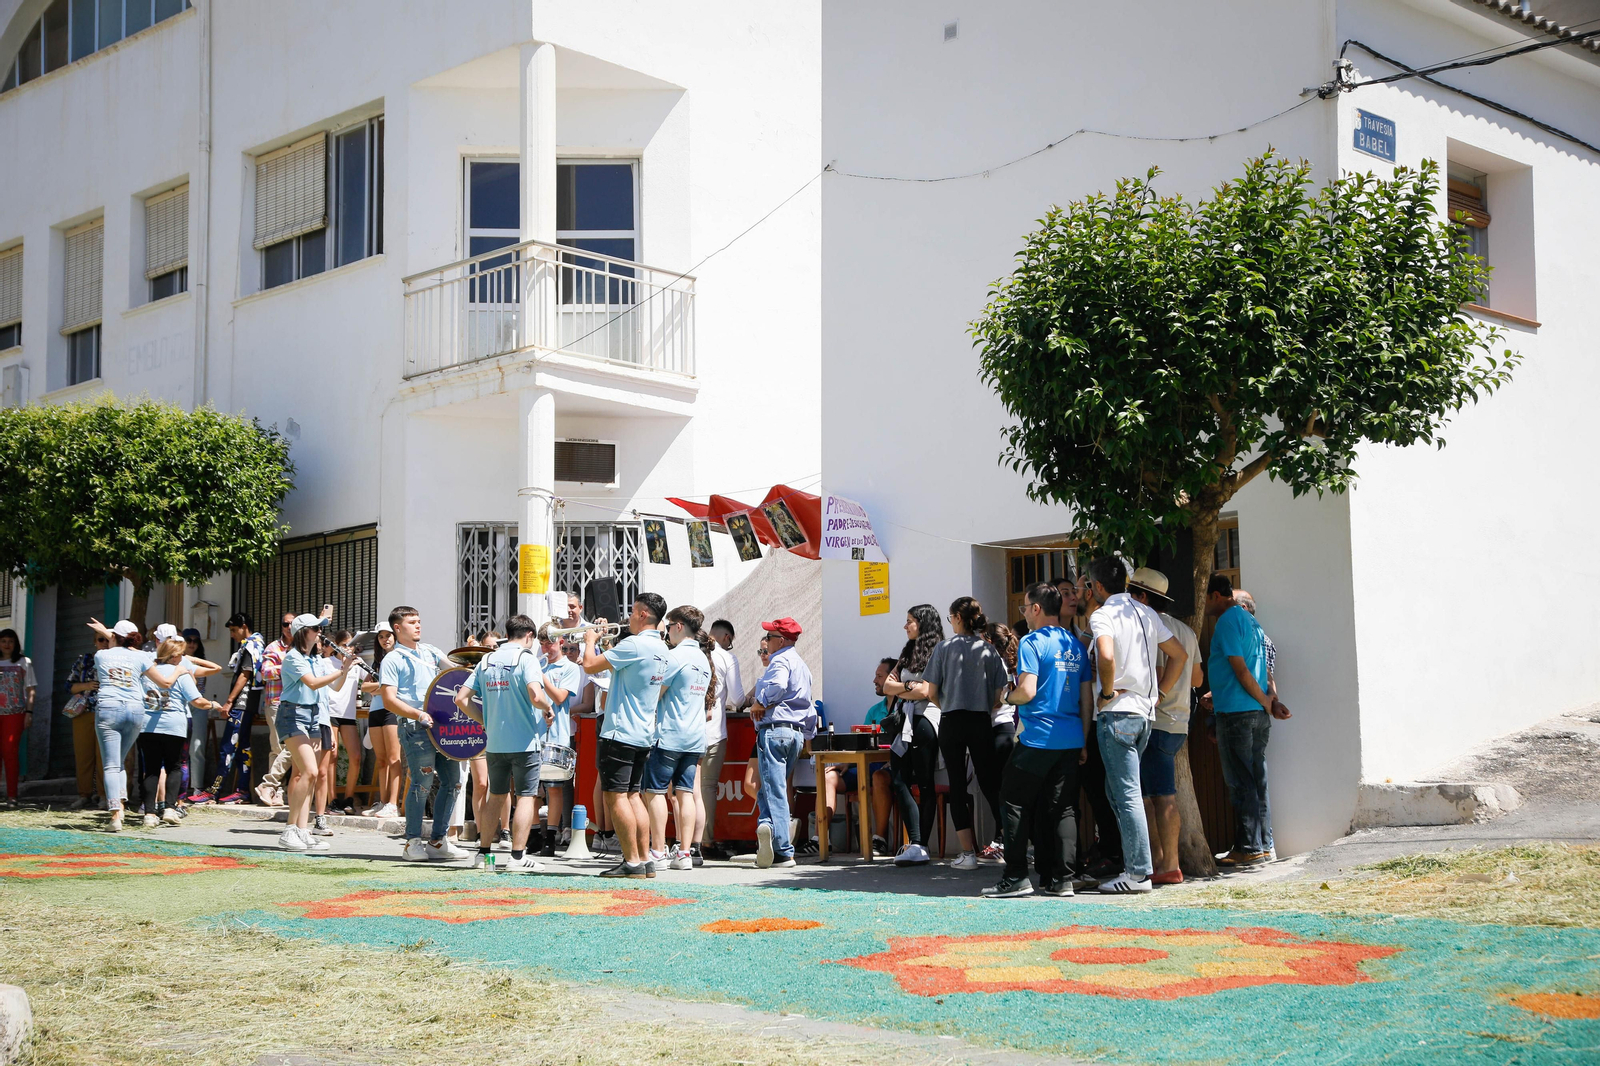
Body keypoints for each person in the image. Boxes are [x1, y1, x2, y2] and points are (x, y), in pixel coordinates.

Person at [1083, 557, 1187, 894]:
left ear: (1097, 587)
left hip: (1118, 713)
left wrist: (1108, 692)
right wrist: (1161, 693)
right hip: (1143, 714)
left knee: (1125, 794)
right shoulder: (1145, 612)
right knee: (1120, 792)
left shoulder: (1103, 614)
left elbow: (1106, 656)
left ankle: (1138, 873)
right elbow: (1180, 654)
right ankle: (1136, 868)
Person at [983, 582, 1091, 898]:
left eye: (1025, 608)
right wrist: (1082, 740)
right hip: (1070, 738)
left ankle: (1016, 876)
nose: (1024, 614)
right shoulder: (1075, 644)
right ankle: (1063, 879)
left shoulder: (1032, 642)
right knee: (1064, 808)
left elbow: (1027, 691)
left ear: (1036, 609)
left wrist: (1005, 695)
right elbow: (1086, 700)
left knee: (1012, 799)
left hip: (1039, 737)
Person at [583, 593, 676, 877]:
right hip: (643, 733)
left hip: (620, 731)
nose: (630, 618)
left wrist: (590, 641)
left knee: (616, 797)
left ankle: (633, 861)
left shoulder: (635, 644)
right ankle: (643, 859)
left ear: (643, 614)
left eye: (634, 612)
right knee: (634, 796)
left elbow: (589, 665)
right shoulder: (663, 649)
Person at [455, 613, 549, 874]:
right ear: (529, 635)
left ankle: (483, 854)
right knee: (526, 796)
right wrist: (548, 706)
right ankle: (517, 857)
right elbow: (535, 694)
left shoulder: (486, 659)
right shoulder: (525, 658)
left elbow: (461, 699)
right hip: (524, 741)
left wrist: (484, 720)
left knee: (495, 796)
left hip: (495, 743)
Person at [923, 597, 1010, 871]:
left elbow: (931, 692)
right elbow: (1000, 695)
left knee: (957, 784)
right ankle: (1011, 839)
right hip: (981, 720)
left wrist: (947, 704)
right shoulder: (988, 651)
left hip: (951, 720)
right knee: (990, 782)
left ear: (957, 618)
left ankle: (967, 853)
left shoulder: (943, 648)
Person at [1127, 568, 1202, 885]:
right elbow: (1198, 679)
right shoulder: (1185, 630)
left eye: (1131, 593)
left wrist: (1159, 695)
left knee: (1156, 797)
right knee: (1156, 795)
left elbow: (1158, 674)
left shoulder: (1150, 628)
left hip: (1155, 722)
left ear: (1142, 597)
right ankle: (1162, 864)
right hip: (1179, 724)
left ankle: (1166, 865)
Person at [1206, 575, 1285, 867]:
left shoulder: (1227, 621)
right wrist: (1269, 703)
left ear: (1216, 596)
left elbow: (1241, 671)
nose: (1205, 605)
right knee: (1256, 780)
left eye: (1206, 599)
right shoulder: (1252, 623)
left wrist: (1267, 702)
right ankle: (1262, 846)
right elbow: (1264, 669)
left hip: (1237, 713)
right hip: (1256, 714)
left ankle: (1249, 848)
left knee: (1241, 782)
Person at [86, 619, 191, 831]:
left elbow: (115, 646)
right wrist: (178, 672)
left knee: (111, 764)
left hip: (109, 708)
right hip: (135, 711)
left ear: (113, 637)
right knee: (121, 761)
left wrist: (106, 632)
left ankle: (116, 814)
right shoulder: (143, 657)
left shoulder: (101, 655)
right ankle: (121, 806)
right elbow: (165, 683)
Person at [380, 605, 466, 862]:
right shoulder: (393, 659)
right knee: (422, 783)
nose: (418, 626)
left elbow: (455, 673)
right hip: (414, 726)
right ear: (397, 628)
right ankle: (412, 842)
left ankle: (438, 841)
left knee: (453, 781)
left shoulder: (430, 651)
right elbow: (388, 700)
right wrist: (417, 714)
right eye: (411, 622)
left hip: (442, 724)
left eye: (419, 621)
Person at [644, 606, 714, 871]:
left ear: (679, 626)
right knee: (686, 794)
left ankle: (659, 852)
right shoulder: (703, 659)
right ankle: (685, 853)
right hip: (695, 736)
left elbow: (656, 693)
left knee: (656, 793)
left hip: (670, 733)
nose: (666, 632)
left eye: (668, 626)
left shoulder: (675, 657)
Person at [748, 617, 814, 869]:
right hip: (795, 733)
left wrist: (760, 701)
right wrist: (807, 736)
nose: (766, 641)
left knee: (774, 789)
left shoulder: (781, 660)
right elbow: (809, 708)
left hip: (775, 730)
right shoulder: (802, 666)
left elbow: (776, 685)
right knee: (772, 787)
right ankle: (767, 825)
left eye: (770, 637)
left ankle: (783, 850)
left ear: (782, 640)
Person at [883, 605, 943, 867]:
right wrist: (909, 686)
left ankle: (921, 845)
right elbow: (888, 686)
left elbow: (927, 692)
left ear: (923, 623)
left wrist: (905, 689)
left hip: (926, 721)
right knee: (898, 779)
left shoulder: (938, 650)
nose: (905, 626)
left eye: (910, 621)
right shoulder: (907, 651)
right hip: (906, 722)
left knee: (926, 782)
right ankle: (916, 842)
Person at [143, 638, 221, 825]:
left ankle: (149, 814)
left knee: (152, 770)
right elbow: (197, 701)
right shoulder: (182, 674)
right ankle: (170, 808)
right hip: (174, 726)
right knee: (174, 767)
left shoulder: (147, 674)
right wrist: (213, 705)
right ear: (176, 656)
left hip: (148, 726)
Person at [532, 624, 582, 857]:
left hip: (557, 735)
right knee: (531, 789)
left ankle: (551, 837)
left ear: (561, 643)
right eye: (542, 643)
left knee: (554, 788)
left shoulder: (570, 668)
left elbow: (560, 697)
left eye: (550, 643)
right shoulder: (537, 663)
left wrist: (540, 675)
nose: (546, 648)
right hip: (533, 733)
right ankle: (533, 834)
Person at [699, 619, 744, 862]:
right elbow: (737, 698)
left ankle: (682, 841)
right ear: (727, 638)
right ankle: (706, 841)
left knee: (685, 788)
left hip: (686, 729)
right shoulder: (727, 658)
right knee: (706, 788)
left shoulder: (691, 652)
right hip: (714, 731)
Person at [361, 622, 401, 817]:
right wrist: (383, 686)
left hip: (392, 710)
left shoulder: (401, 657)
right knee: (382, 760)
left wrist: (381, 688)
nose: (385, 639)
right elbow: (364, 687)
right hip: (375, 710)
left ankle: (393, 803)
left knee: (394, 758)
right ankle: (383, 802)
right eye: (381, 636)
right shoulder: (378, 662)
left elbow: (398, 687)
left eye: (388, 635)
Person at [324, 630, 365, 815]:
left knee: (355, 756)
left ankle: (348, 798)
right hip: (330, 712)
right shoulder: (327, 663)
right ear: (336, 646)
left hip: (348, 714)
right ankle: (331, 800)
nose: (348, 649)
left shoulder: (358, 663)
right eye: (344, 645)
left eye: (351, 645)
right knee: (331, 757)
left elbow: (370, 681)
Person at [68, 632, 111, 805]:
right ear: (94, 642)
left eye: (108, 640)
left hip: (108, 711)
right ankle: (84, 794)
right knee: (83, 754)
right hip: (84, 711)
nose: (104, 643)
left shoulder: (116, 660)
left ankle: (103, 795)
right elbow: (69, 686)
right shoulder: (84, 660)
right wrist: (86, 685)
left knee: (104, 756)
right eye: (101, 639)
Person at [0, 628, 37, 807]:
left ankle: (12, 796)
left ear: (16, 644)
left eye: (10, 641)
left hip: (15, 713)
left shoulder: (24, 662)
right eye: (3, 641)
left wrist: (29, 713)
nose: (7, 645)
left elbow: (30, 689)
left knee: (10, 753)